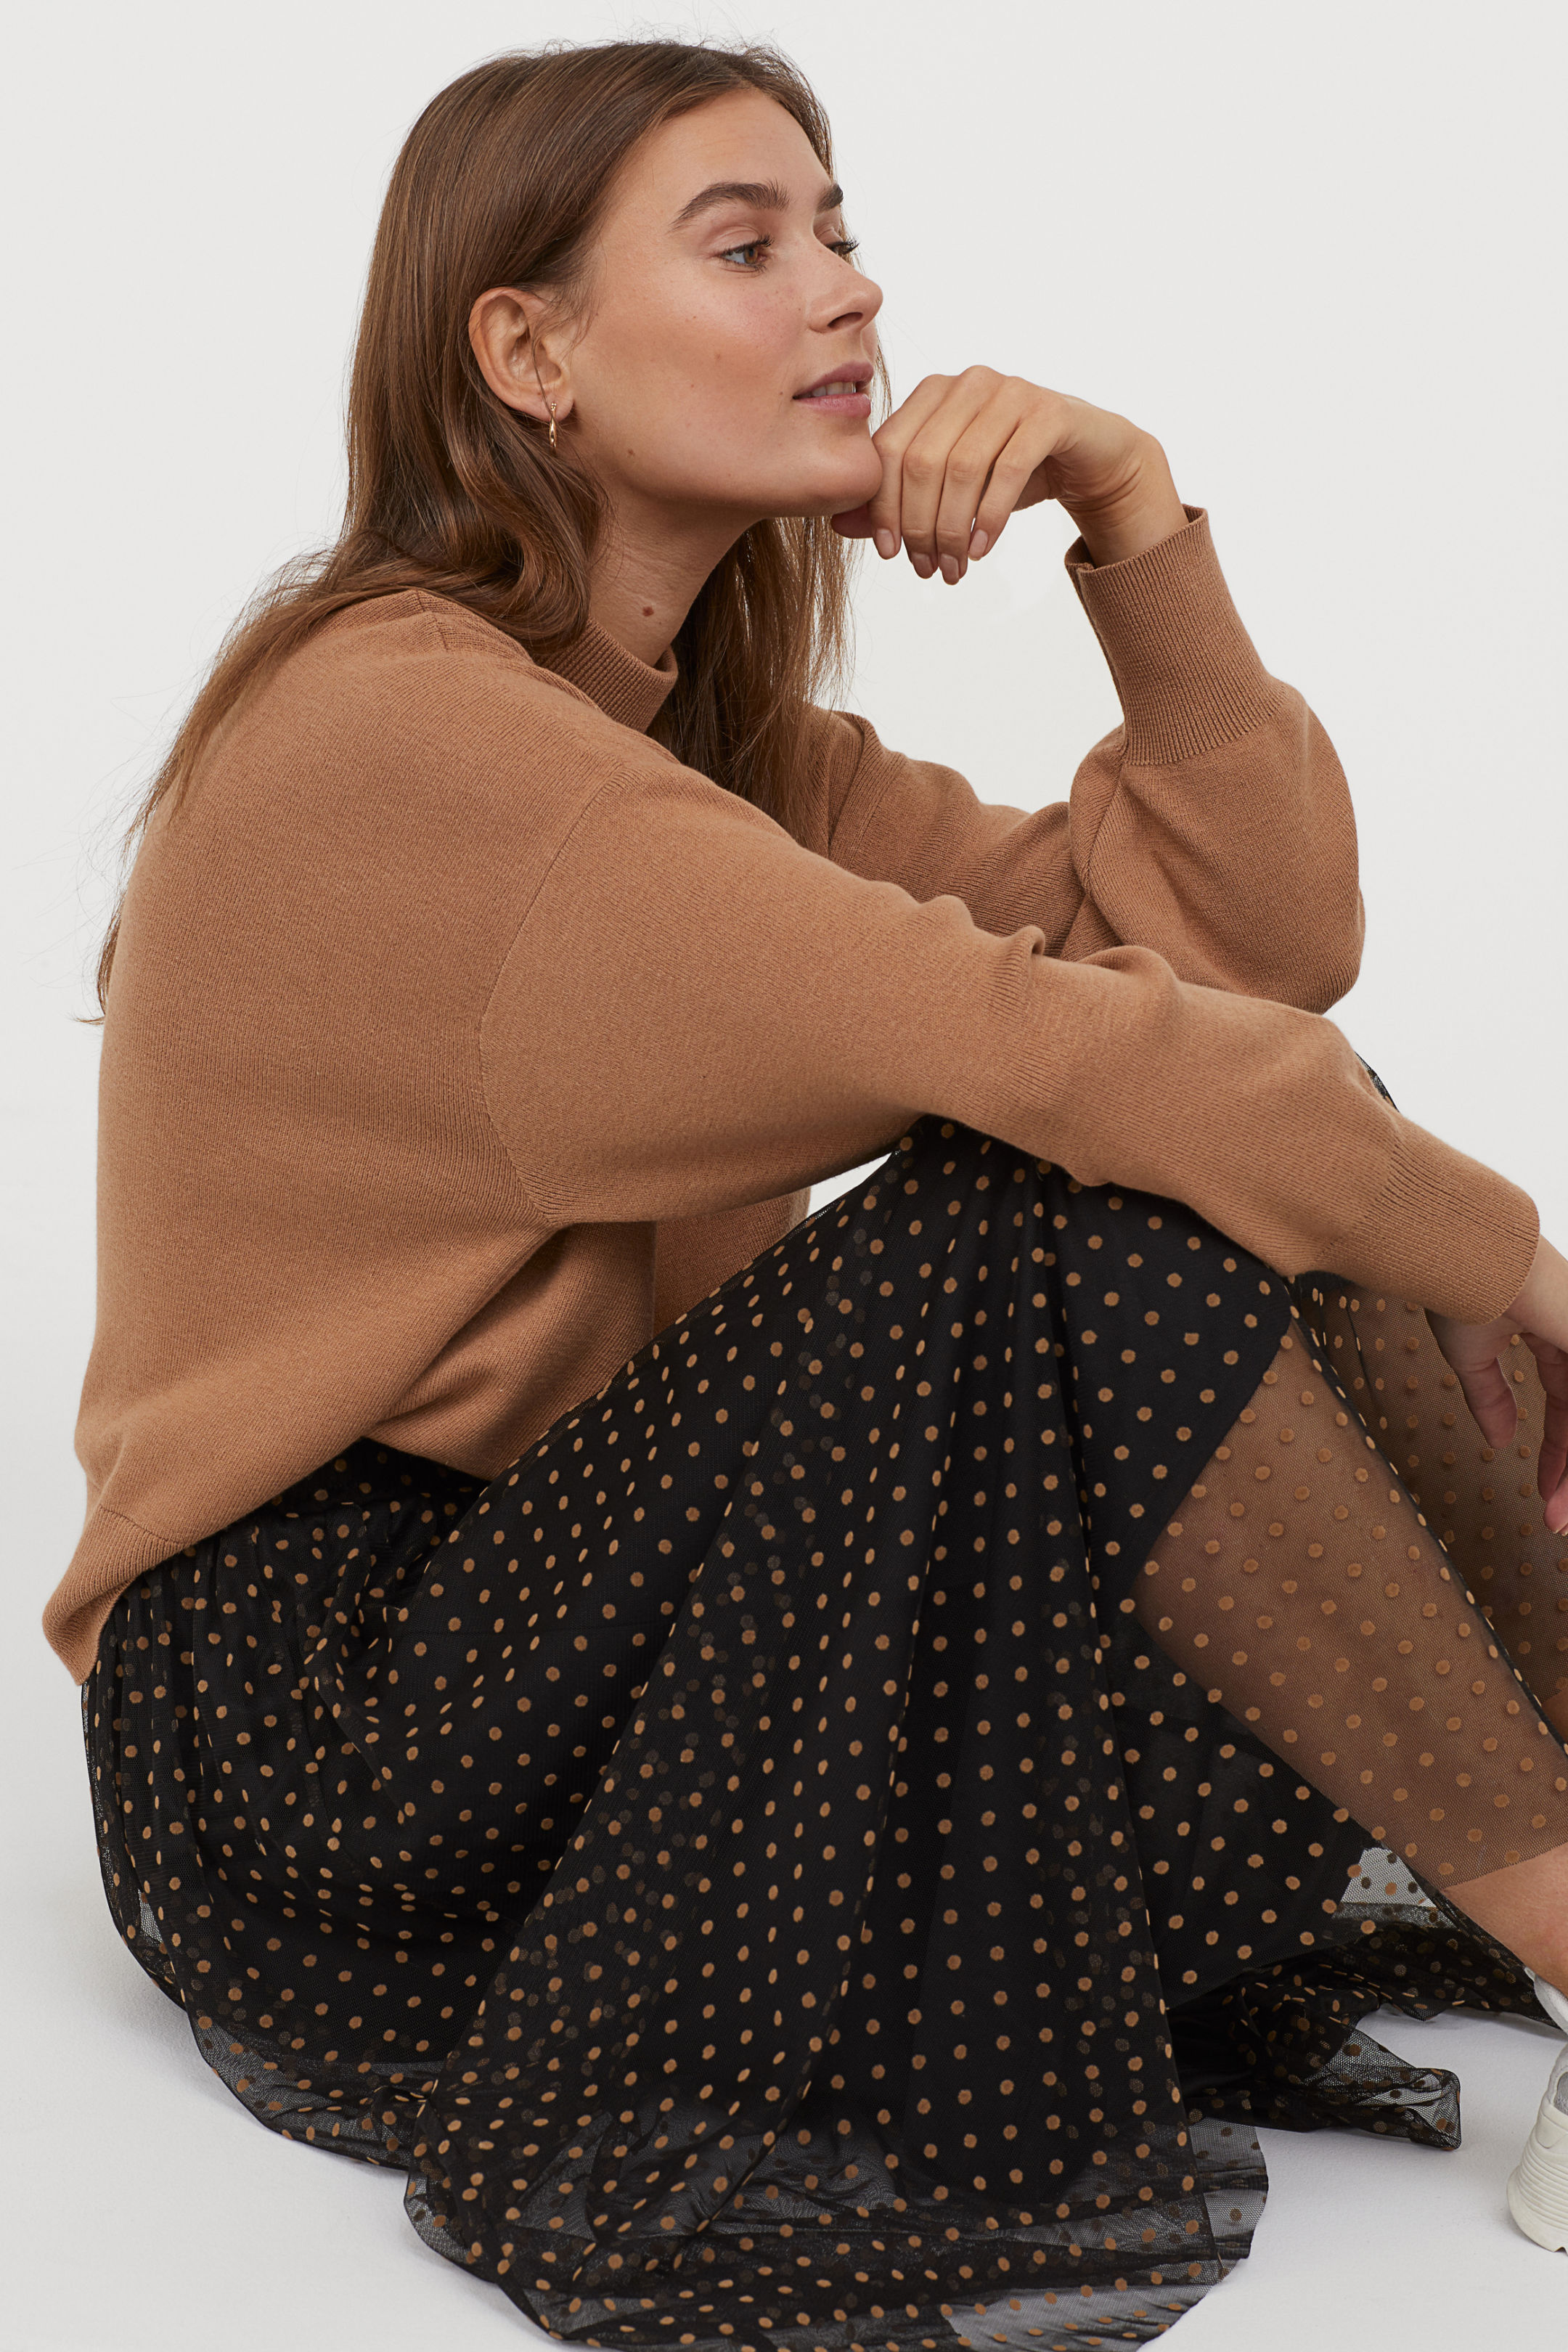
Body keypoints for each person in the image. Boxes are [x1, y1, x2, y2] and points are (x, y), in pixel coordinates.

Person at [56, 33, 1568, 2348]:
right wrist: (1523, 1261)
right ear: (530, 353)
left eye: (844, 234)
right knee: (1079, 1178)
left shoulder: (707, 751)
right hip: (329, 1763)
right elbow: (1087, 1066)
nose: (847, 294)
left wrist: (1134, 517)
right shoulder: (406, 733)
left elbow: (1254, 961)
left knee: (1233, 1125)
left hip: (596, 1666)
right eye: (746, 245)